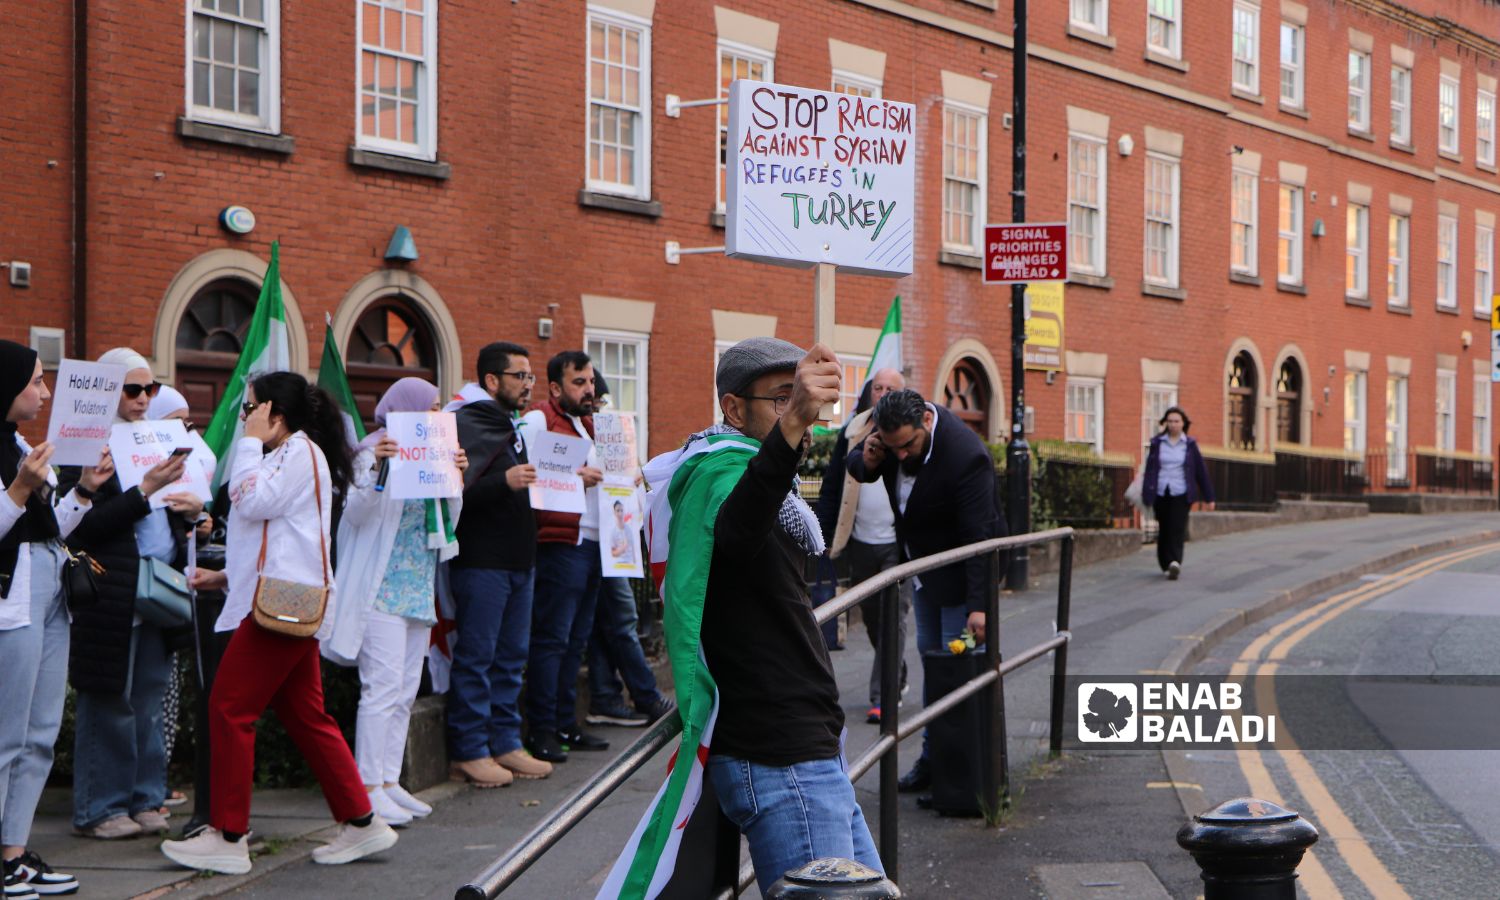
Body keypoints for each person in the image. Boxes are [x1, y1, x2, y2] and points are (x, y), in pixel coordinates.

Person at [612, 337, 881, 896]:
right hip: (780, 757)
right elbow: (737, 532)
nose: (800, 414)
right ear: (734, 409)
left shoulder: (748, 476)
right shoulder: (722, 477)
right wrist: (786, 437)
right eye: (782, 399)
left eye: (803, 398)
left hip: (806, 748)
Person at [159, 373, 398, 874]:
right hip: (285, 601)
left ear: (275, 412)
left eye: (250, 409)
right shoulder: (294, 454)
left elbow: (250, 501)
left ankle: (228, 836)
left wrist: (246, 445)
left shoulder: (295, 453)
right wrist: (225, 576)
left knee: (228, 708)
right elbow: (279, 533)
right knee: (306, 716)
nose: (244, 418)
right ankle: (361, 821)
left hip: (281, 606)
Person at [58, 348, 200, 841]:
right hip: (112, 591)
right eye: (132, 389)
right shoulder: (83, 443)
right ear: (108, 391)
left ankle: (146, 797)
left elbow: (166, 517)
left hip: (157, 586)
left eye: (151, 388)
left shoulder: (157, 436)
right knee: (110, 700)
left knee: (149, 699)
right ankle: (101, 807)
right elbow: (80, 529)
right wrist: (142, 492)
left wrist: (190, 511)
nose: (144, 399)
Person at [845, 388, 1001, 796]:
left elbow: (979, 539)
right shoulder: (895, 440)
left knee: (955, 673)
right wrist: (870, 457)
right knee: (935, 668)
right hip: (925, 575)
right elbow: (857, 468)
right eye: (892, 447)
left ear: (926, 422)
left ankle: (959, 772)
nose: (901, 456)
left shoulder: (966, 456)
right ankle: (934, 762)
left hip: (961, 582)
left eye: (907, 445)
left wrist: (979, 607)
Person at [325, 377, 466, 827]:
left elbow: (450, 523)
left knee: (405, 689)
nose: (438, 415)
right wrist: (378, 473)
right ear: (406, 409)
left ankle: (389, 781)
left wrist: (455, 475)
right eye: (432, 406)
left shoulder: (433, 454)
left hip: (418, 588)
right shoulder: (368, 453)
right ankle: (366, 787)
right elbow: (355, 515)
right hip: (380, 589)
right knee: (381, 689)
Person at [1, 341, 94, 898]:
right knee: (7, 734)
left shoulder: (18, 442)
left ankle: (14, 851)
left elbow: (45, 528)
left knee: (40, 733)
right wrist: (19, 488)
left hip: (49, 585)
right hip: (13, 595)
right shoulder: (14, 456)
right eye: (36, 380)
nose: (45, 390)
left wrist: (84, 491)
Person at [446, 342, 551, 787]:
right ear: (492, 381)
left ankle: (506, 742)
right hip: (482, 561)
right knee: (478, 657)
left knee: (511, 658)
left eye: (530, 377)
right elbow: (455, 493)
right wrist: (501, 482)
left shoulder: (516, 427)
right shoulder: (466, 421)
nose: (528, 385)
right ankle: (470, 749)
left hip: (519, 559)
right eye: (519, 376)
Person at [518, 352, 610, 762]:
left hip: (594, 540)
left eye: (590, 382)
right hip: (561, 542)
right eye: (579, 382)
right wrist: (575, 478)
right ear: (555, 387)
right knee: (552, 639)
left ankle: (565, 723)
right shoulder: (539, 419)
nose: (589, 389)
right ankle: (541, 728)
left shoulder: (587, 422)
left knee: (576, 641)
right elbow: (526, 470)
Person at [814, 368, 910, 725]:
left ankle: (881, 697)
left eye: (891, 389)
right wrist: (822, 536)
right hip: (860, 541)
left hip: (896, 545)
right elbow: (833, 485)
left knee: (894, 618)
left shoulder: (909, 433)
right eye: (878, 388)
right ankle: (895, 672)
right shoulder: (852, 431)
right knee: (872, 618)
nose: (883, 393)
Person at [583, 374, 673, 730]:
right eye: (597, 401)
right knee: (621, 620)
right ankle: (648, 697)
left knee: (608, 623)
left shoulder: (601, 432)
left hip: (612, 538)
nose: (599, 406)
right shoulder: (580, 432)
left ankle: (605, 698)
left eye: (601, 401)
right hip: (596, 538)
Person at [146, 385, 211, 816]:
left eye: (189, 423)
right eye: (176, 422)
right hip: (143, 587)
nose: (184, 432)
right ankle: (151, 782)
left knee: (166, 691)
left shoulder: (177, 463)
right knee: (146, 697)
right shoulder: (138, 465)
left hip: (171, 585)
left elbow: (185, 522)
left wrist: (198, 520)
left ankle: (158, 778)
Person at [1142, 406, 1215, 580]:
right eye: (1170, 421)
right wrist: (1146, 493)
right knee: (1164, 528)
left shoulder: (1189, 445)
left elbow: (1201, 471)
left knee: (1177, 527)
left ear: (1183, 424)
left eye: (1177, 421)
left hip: (1181, 491)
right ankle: (1165, 562)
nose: (1173, 424)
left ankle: (1175, 561)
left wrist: (1209, 497)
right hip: (1161, 491)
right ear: (1165, 423)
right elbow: (1150, 470)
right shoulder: (1157, 443)